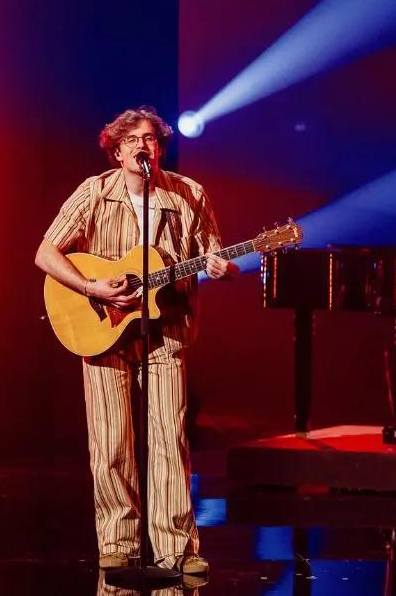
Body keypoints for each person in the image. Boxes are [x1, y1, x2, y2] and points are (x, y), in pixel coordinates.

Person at [34, 107, 234, 577]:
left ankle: (177, 548)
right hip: (104, 328)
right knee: (111, 440)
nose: (145, 146)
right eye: (135, 139)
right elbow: (45, 251)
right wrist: (92, 289)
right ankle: (118, 540)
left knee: (171, 438)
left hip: (167, 331)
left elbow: (211, 254)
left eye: (152, 139)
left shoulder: (189, 194)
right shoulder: (94, 192)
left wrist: (222, 265)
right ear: (118, 148)